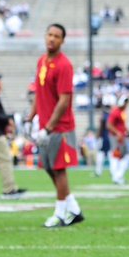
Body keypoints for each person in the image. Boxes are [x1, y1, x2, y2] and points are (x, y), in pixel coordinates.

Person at [30, 23, 82, 227]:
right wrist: (31, 117)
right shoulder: (41, 61)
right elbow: (38, 92)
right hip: (45, 125)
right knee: (49, 167)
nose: (52, 39)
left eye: (56, 36)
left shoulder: (64, 65)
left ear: (62, 41)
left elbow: (64, 100)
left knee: (59, 169)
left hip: (60, 128)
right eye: (49, 34)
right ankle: (74, 208)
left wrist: (49, 127)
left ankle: (60, 213)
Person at [106, 96, 129, 185]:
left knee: (123, 156)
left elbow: (122, 125)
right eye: (125, 103)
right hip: (116, 138)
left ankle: (118, 176)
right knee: (117, 156)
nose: (126, 105)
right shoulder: (116, 112)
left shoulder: (122, 112)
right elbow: (109, 125)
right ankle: (117, 176)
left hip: (121, 137)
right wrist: (117, 133)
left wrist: (127, 131)